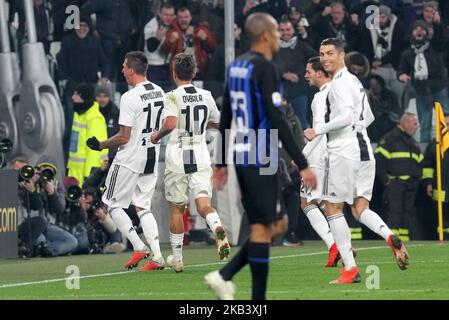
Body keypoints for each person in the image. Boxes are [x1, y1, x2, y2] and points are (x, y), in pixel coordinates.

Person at [204, 13, 317, 300]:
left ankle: (236, 284)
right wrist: (302, 163)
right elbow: (275, 117)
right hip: (260, 152)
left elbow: (226, 115)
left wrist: (220, 162)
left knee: (270, 226)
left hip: (242, 155)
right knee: (267, 228)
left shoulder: (236, 66)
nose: (280, 37)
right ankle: (230, 280)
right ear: (266, 36)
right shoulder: (265, 68)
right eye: (277, 32)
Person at [304, 38, 409, 284]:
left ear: (342, 55)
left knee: (332, 208)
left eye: (330, 53)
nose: (325, 58)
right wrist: (354, 129)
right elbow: (367, 116)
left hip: (344, 152)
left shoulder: (338, 83)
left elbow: (346, 116)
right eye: (322, 54)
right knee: (360, 209)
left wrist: (318, 130)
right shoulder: (356, 82)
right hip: (364, 149)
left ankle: (350, 269)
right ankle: (389, 236)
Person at [86, 51, 167, 271]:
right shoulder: (159, 91)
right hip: (151, 156)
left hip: (129, 158)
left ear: (131, 70)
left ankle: (139, 246)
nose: (122, 70)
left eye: (124, 66)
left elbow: (124, 136)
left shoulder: (129, 97)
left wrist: (100, 145)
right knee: (142, 206)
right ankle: (158, 256)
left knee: (112, 204)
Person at [150, 53, 231, 272]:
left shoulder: (172, 96)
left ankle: (177, 260)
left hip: (178, 152)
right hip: (200, 151)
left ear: (173, 73)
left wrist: (157, 136)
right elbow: (217, 122)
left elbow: (171, 123)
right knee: (203, 203)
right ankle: (216, 226)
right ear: (194, 73)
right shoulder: (206, 95)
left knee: (176, 208)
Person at [302, 56, 338, 266]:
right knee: (324, 201)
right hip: (336, 153)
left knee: (306, 202)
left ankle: (335, 246)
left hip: (319, 156)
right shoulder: (338, 91)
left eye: (308, 71)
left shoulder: (320, 97)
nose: (305, 75)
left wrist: (302, 157)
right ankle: (341, 245)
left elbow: (316, 133)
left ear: (319, 72)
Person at [397, 20, 449, 143]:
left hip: (439, 89)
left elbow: (441, 37)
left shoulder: (435, 47)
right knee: (424, 125)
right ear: (411, 33)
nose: (419, 30)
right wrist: (402, 75)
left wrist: (436, 24)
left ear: (427, 32)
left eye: (422, 28)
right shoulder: (407, 53)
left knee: (446, 120)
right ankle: (426, 152)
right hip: (421, 92)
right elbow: (401, 70)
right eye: (416, 29)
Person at [375, 113, 423, 241]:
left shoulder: (412, 142)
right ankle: (393, 242)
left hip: (411, 185)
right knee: (394, 214)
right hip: (395, 184)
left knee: (407, 215)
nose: (418, 127)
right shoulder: (390, 138)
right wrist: (387, 182)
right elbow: (379, 162)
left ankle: (404, 242)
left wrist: (417, 180)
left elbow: (419, 163)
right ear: (405, 123)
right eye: (415, 123)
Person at [274, 18, 317, 129]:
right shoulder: (272, 47)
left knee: (302, 123)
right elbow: (266, 65)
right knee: (277, 122)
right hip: (278, 91)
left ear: (293, 30)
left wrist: (301, 73)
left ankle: (304, 146)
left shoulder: (302, 46)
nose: (285, 32)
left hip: (299, 91)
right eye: (282, 30)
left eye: (288, 29)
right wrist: (283, 74)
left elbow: (316, 59)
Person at [67, 83, 109, 186]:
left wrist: (90, 175)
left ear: (84, 97)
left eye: (77, 95)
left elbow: (95, 150)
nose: (73, 97)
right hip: (74, 171)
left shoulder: (94, 118)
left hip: (84, 174)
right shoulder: (79, 114)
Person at [161, 7, 217, 79]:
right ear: (177, 19)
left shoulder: (200, 29)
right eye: (181, 18)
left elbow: (214, 47)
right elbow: (164, 50)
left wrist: (206, 38)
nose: (184, 20)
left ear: (190, 17)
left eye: (186, 17)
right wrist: (170, 41)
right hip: (180, 72)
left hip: (198, 71)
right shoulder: (173, 31)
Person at [422, 113, 449, 239]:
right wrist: (428, 183)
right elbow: (427, 166)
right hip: (440, 188)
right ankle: (442, 240)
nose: (447, 127)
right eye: (445, 124)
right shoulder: (434, 144)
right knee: (441, 217)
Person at [143, 2, 176, 89]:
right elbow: (150, 48)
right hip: (153, 68)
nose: (169, 18)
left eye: (171, 15)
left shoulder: (173, 24)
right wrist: (157, 39)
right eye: (166, 15)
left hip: (168, 66)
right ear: (159, 13)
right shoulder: (151, 26)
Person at [95, 85, 120, 157]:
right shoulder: (91, 112)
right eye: (99, 96)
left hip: (111, 154)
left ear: (109, 97)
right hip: (94, 152)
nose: (102, 99)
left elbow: (118, 135)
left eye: (105, 96)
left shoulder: (116, 113)